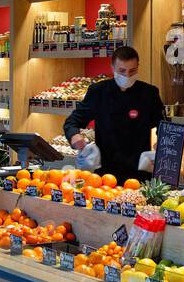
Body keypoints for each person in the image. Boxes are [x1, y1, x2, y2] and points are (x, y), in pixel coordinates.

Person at [63, 46, 164, 185]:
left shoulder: (149, 93)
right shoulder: (98, 92)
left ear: (138, 67)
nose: (127, 76)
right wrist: (75, 137)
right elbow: (72, 122)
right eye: (122, 71)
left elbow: (163, 125)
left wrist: (162, 143)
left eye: (132, 71)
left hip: (139, 173)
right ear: (112, 68)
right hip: (105, 173)